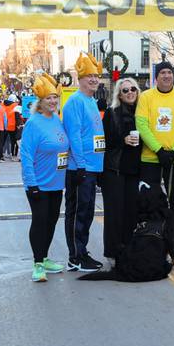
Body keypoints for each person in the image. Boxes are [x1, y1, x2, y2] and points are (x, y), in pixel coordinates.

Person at [136, 60, 174, 266]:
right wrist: (158, 150)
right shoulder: (146, 97)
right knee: (149, 203)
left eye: (170, 72)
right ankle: (151, 241)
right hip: (151, 159)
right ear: (156, 77)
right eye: (163, 73)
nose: (167, 76)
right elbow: (141, 124)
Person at [20, 74, 69, 282]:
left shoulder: (56, 119)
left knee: (51, 222)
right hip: (39, 185)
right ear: (40, 101)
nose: (53, 101)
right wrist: (31, 184)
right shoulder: (34, 123)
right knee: (40, 222)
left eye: (55, 98)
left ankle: (45, 257)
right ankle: (37, 263)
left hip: (57, 184)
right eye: (49, 98)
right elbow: (26, 155)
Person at [64, 52, 106, 272]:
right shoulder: (75, 101)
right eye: (89, 75)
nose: (93, 79)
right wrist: (80, 164)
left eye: (96, 75)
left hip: (92, 166)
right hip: (80, 168)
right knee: (78, 213)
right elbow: (75, 135)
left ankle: (82, 251)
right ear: (79, 78)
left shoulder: (90, 100)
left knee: (87, 213)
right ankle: (75, 256)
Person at [101, 77, 143, 269]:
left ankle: (127, 249)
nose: (130, 93)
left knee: (131, 213)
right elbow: (106, 141)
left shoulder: (142, 112)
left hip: (135, 170)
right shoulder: (112, 113)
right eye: (125, 90)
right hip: (115, 169)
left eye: (132, 89)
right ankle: (112, 252)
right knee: (114, 214)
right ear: (119, 94)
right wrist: (122, 140)